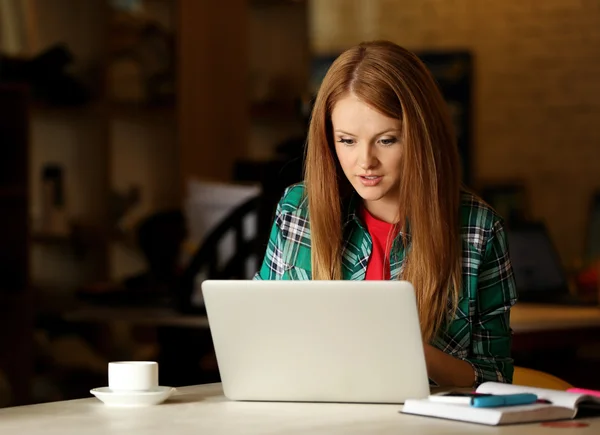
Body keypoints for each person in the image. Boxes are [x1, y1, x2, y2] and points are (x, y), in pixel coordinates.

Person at [254, 40, 518, 388]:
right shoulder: (297, 211)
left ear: (421, 137)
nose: (365, 162)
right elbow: (259, 341)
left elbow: (495, 376)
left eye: (387, 140)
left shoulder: (477, 230)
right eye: (347, 141)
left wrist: (410, 350)